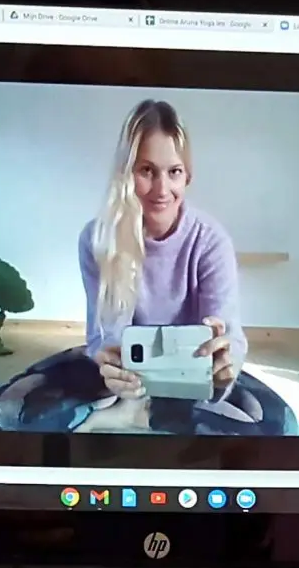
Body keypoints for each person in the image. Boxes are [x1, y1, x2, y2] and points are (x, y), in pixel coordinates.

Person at [77, 99, 248, 431]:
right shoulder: (96, 240)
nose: (161, 189)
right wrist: (109, 363)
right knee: (12, 412)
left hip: (192, 376)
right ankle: (139, 413)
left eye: (174, 172)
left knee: (276, 426)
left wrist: (225, 366)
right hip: (129, 382)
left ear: (187, 176)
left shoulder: (211, 241)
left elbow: (230, 336)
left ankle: (145, 417)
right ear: (126, 174)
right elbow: (103, 336)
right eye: (146, 171)